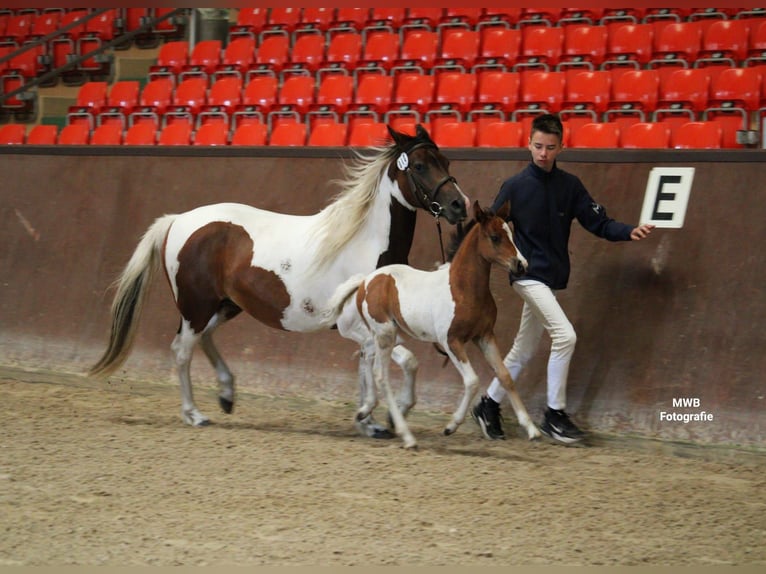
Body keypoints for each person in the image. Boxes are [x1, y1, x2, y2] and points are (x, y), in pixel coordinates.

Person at [471, 113, 655, 445]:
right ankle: (555, 415)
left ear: (561, 147)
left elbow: (600, 223)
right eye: (538, 146)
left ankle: (488, 405)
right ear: (528, 143)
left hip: (552, 279)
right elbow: (490, 229)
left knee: (522, 351)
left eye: (550, 147)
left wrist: (630, 231)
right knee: (565, 336)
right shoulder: (513, 187)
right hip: (527, 277)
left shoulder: (570, 187)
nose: (543, 153)